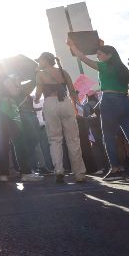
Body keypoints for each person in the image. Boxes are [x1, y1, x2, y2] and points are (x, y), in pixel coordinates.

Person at [68, 41, 129, 182]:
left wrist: (73, 46)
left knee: (108, 137)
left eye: (100, 54)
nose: (98, 57)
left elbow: (83, 58)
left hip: (109, 101)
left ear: (109, 55)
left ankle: (115, 169)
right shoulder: (124, 69)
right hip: (126, 101)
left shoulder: (104, 66)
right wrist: (99, 45)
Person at [34, 52, 87, 183]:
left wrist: (35, 99)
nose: (39, 63)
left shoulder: (40, 74)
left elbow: (37, 95)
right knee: (73, 139)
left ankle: (59, 169)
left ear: (45, 60)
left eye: (40, 60)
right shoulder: (64, 72)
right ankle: (79, 172)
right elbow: (73, 92)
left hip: (50, 104)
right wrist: (78, 107)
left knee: (55, 139)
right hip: (65, 103)